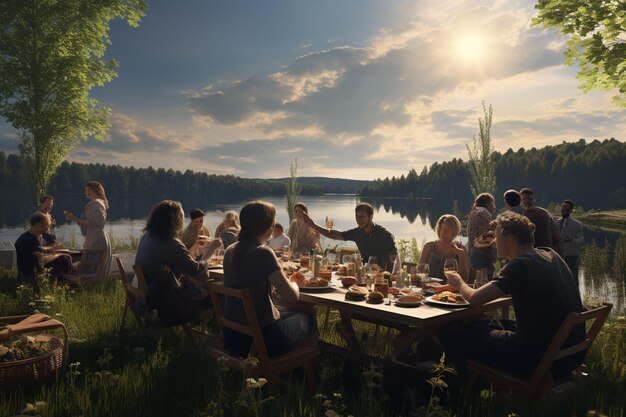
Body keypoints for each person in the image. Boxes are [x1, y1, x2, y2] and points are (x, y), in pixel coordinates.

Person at [442, 212, 585, 379]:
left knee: (453, 333)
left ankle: (459, 387)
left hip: (534, 357)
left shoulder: (520, 264)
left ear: (508, 237)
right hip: (568, 353)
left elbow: (474, 299)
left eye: (496, 237)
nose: (494, 243)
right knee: (485, 324)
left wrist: (459, 283)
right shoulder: (550, 254)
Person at [223, 201, 318, 357]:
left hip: (234, 338)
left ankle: (300, 365)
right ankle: (307, 367)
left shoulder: (230, 250)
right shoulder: (263, 252)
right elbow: (292, 297)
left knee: (285, 312)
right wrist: (294, 282)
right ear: (269, 227)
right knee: (307, 313)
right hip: (263, 341)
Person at [135, 200, 221, 325]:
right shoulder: (170, 242)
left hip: (147, 295)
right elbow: (196, 271)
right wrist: (212, 249)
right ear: (174, 220)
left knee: (200, 288)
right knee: (216, 296)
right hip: (165, 301)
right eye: (181, 216)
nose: (183, 219)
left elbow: (179, 260)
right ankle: (220, 336)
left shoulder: (148, 235)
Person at [302, 202, 398, 273]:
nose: (359, 219)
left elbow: (394, 259)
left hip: (382, 277)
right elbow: (333, 234)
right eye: (357, 216)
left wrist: (387, 277)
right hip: (365, 274)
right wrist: (313, 225)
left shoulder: (384, 234)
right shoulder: (357, 233)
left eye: (362, 216)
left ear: (371, 216)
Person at [63, 181, 112, 278]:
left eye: (86, 189)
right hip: (97, 237)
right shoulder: (99, 202)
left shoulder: (95, 204)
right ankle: (92, 284)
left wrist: (74, 218)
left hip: (95, 239)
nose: (85, 191)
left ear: (92, 190)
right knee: (93, 266)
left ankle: (87, 284)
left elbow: (94, 224)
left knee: (90, 266)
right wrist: (75, 218)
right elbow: (93, 224)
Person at [15, 212, 73, 285]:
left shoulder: (24, 237)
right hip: (32, 276)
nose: (47, 229)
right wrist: (58, 255)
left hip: (24, 273)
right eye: (47, 226)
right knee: (64, 258)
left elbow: (36, 252)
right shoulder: (32, 240)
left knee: (63, 257)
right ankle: (65, 282)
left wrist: (51, 250)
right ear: (39, 225)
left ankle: (67, 279)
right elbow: (41, 260)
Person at [418, 214, 470, 282]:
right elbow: (419, 271)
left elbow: (464, 280)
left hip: (451, 291)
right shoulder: (429, 246)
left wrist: (461, 255)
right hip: (429, 288)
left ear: (455, 232)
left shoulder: (461, 249)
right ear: (439, 229)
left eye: (449, 231)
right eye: (443, 229)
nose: (445, 233)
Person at [520, 188, 563, 256]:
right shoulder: (544, 213)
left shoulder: (522, 216)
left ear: (534, 200)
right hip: (546, 252)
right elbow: (556, 237)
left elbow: (555, 236)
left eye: (529, 199)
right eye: (524, 199)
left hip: (533, 253)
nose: (527, 201)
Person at [466, 193, 497, 278]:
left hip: (476, 255)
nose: (495, 206)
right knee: (483, 283)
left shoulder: (475, 213)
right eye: (493, 203)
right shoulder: (482, 214)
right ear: (488, 204)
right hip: (482, 256)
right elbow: (485, 238)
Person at [555, 199, 584, 286]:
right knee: (559, 279)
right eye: (563, 208)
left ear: (571, 211)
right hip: (558, 255)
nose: (564, 210)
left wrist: (573, 240)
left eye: (567, 209)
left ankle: (575, 298)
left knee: (573, 279)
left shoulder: (577, 224)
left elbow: (582, 240)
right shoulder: (555, 222)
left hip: (572, 255)